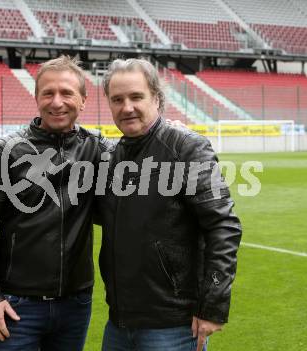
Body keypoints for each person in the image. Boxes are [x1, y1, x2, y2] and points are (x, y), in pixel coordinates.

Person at [96, 58, 242, 351]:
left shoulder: (186, 148)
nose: (127, 107)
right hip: (119, 324)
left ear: (156, 98)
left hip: (173, 326)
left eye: (136, 97)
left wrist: (212, 307)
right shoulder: (110, 156)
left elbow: (223, 226)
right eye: (117, 99)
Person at [0, 55, 111, 351]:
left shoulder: (97, 149)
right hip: (16, 305)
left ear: (83, 100)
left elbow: (142, 153)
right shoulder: (4, 151)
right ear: (37, 98)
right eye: (48, 93)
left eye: (67, 93)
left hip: (75, 303)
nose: (57, 102)